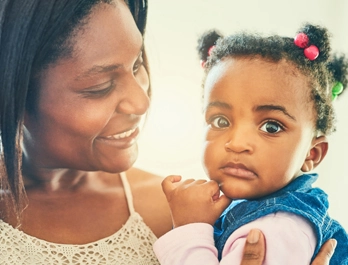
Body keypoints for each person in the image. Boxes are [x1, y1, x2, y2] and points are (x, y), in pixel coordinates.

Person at [0, 0, 335, 264]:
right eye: (99, 86)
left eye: (137, 65)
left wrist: (190, 229)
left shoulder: (187, 214)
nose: (141, 101)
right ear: (14, 93)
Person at [153, 23, 348, 264]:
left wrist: (190, 228)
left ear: (312, 154)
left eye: (271, 127)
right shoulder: (257, 207)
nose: (236, 143)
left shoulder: (278, 228)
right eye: (221, 121)